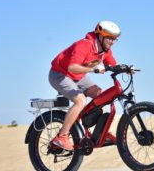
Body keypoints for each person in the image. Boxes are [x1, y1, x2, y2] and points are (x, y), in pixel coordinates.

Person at [48, 20, 121, 151]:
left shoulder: (105, 51)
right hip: (59, 74)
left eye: (115, 39)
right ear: (100, 35)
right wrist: (94, 70)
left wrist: (125, 69)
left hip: (78, 76)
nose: (112, 42)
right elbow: (72, 67)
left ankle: (99, 133)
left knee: (102, 96)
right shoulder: (84, 45)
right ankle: (62, 136)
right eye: (110, 38)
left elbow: (112, 65)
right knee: (80, 101)